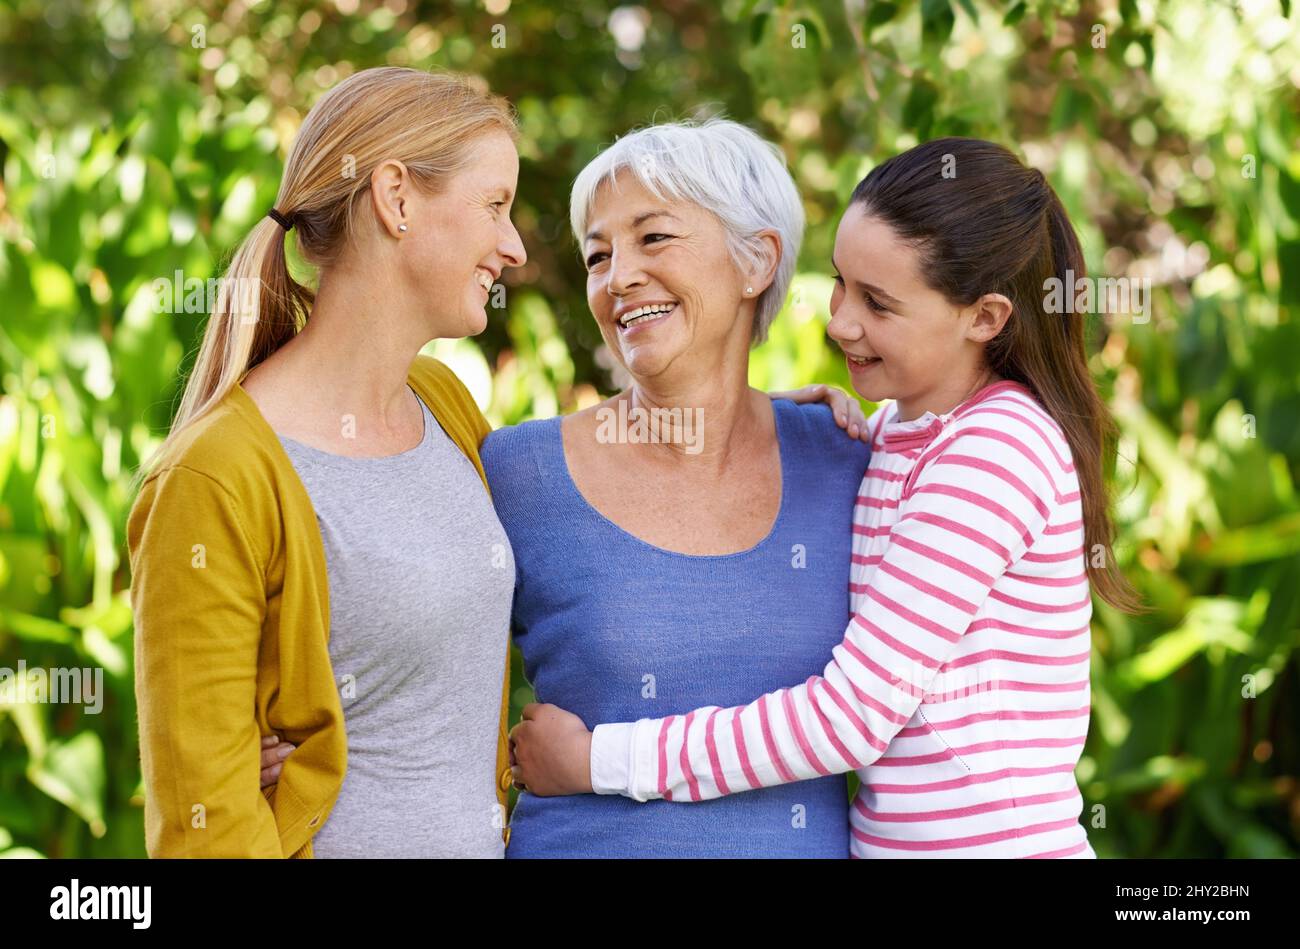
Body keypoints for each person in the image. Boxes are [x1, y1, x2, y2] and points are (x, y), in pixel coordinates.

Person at [510, 137, 1142, 858]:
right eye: (841, 284)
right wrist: (755, 417)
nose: (840, 321)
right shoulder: (895, 437)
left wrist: (598, 759)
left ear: (985, 317)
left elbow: (853, 714)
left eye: (878, 303)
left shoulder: (997, 448)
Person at [128, 66, 526, 857]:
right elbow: (204, 829)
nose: (513, 247)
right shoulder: (214, 479)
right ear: (397, 198)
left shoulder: (443, 404)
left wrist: (757, 416)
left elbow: (589, 501)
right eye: (496, 206)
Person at [481, 119, 874, 857]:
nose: (618, 277)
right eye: (599, 255)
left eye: (653, 238)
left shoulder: (847, 460)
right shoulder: (518, 471)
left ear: (756, 260)